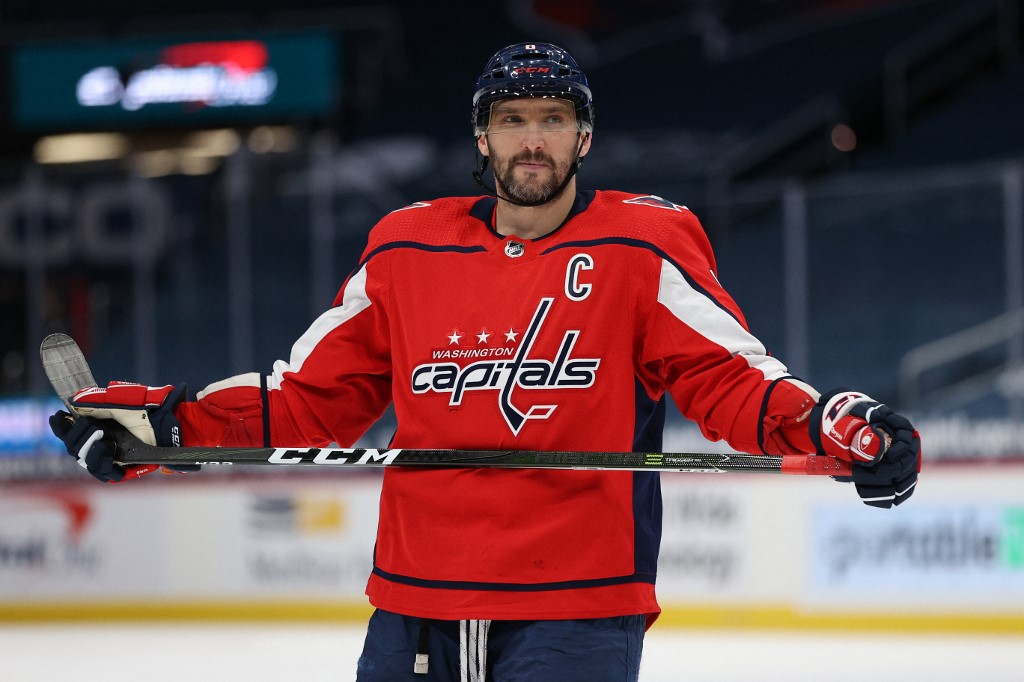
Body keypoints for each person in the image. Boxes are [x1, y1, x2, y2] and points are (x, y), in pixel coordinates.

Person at [49, 42, 921, 681]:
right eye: (512, 121)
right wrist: (166, 424)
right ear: (482, 138)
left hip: (576, 609)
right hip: (415, 602)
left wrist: (829, 424)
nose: (531, 140)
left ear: (584, 138)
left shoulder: (640, 244)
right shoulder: (407, 249)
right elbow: (313, 398)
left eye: (553, 120)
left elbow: (730, 379)